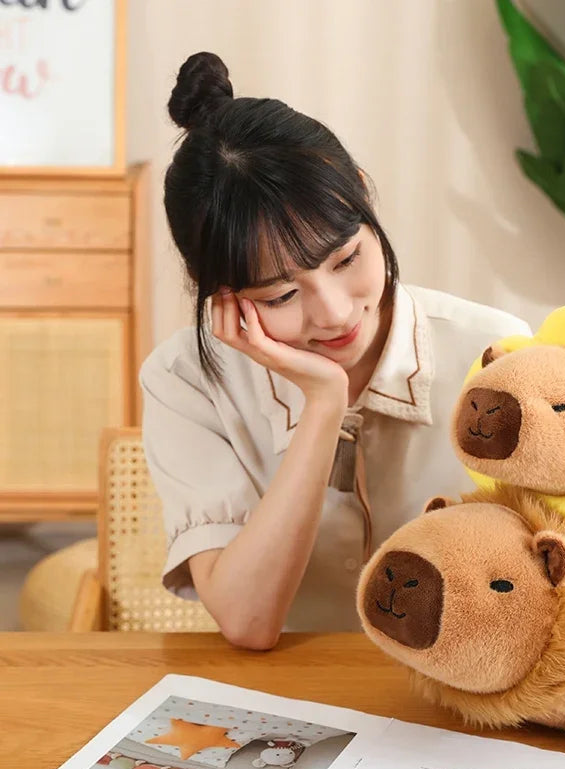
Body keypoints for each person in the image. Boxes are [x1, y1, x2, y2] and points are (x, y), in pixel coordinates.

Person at [140, 51, 532, 650]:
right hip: (292, 693)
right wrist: (323, 405)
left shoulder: (496, 351)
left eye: (346, 259)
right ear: (217, 294)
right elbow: (247, 621)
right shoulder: (185, 381)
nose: (334, 312)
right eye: (280, 295)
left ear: (365, 197)